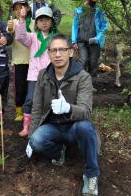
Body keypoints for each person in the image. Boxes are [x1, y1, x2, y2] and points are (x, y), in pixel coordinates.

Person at [26, 33, 100, 195]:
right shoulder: (43, 75)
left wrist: (68, 108)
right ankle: (59, 151)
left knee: (86, 128)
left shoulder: (83, 77)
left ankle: (91, 175)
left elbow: (86, 110)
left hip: (74, 125)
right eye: (53, 50)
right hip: (53, 125)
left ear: (71, 52)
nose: (58, 54)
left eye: (62, 49)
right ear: (49, 53)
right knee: (37, 141)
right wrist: (30, 137)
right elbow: (37, 108)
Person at [15, 6, 57, 137]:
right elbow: (20, 36)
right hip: (34, 75)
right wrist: (22, 19)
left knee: (49, 99)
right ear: (36, 23)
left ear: (52, 21)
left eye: (47, 19)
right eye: (41, 20)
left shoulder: (55, 38)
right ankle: (26, 126)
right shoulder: (32, 37)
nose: (44, 22)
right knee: (30, 99)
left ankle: (45, 124)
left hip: (52, 74)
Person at [71, 0, 108, 86]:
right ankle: (82, 84)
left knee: (93, 62)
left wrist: (97, 38)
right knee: (83, 61)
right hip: (81, 40)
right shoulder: (78, 11)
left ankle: (92, 83)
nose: (86, 2)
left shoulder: (99, 11)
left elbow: (104, 26)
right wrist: (74, 40)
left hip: (94, 41)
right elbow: (74, 26)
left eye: (89, 1)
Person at [7, 0, 31, 121]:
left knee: (31, 87)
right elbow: (9, 32)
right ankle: (19, 111)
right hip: (19, 61)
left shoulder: (34, 23)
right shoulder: (14, 23)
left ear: (27, 8)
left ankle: (30, 110)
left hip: (33, 61)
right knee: (19, 87)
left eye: (22, 7)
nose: (19, 10)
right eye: (16, 9)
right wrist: (10, 28)